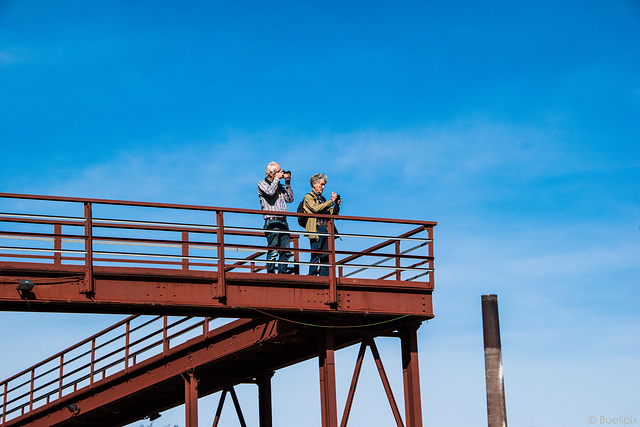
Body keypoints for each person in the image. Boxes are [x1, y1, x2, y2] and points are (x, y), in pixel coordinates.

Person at [258, 162, 294, 274]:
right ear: (270, 173)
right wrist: (277, 179)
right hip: (272, 221)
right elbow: (269, 192)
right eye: (278, 172)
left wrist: (287, 184)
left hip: (283, 221)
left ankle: (283, 273)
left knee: (285, 251)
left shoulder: (280, 186)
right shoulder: (262, 184)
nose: (280, 174)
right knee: (273, 250)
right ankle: (271, 273)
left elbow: (290, 199)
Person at [303, 173, 341, 276]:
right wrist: (330, 202)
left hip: (327, 228)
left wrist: (336, 205)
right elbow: (315, 209)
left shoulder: (323, 199)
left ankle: (325, 277)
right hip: (317, 228)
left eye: (324, 185)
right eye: (322, 184)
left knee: (326, 256)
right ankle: (313, 276)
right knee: (316, 254)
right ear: (314, 184)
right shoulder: (308, 197)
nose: (323, 187)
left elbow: (332, 214)